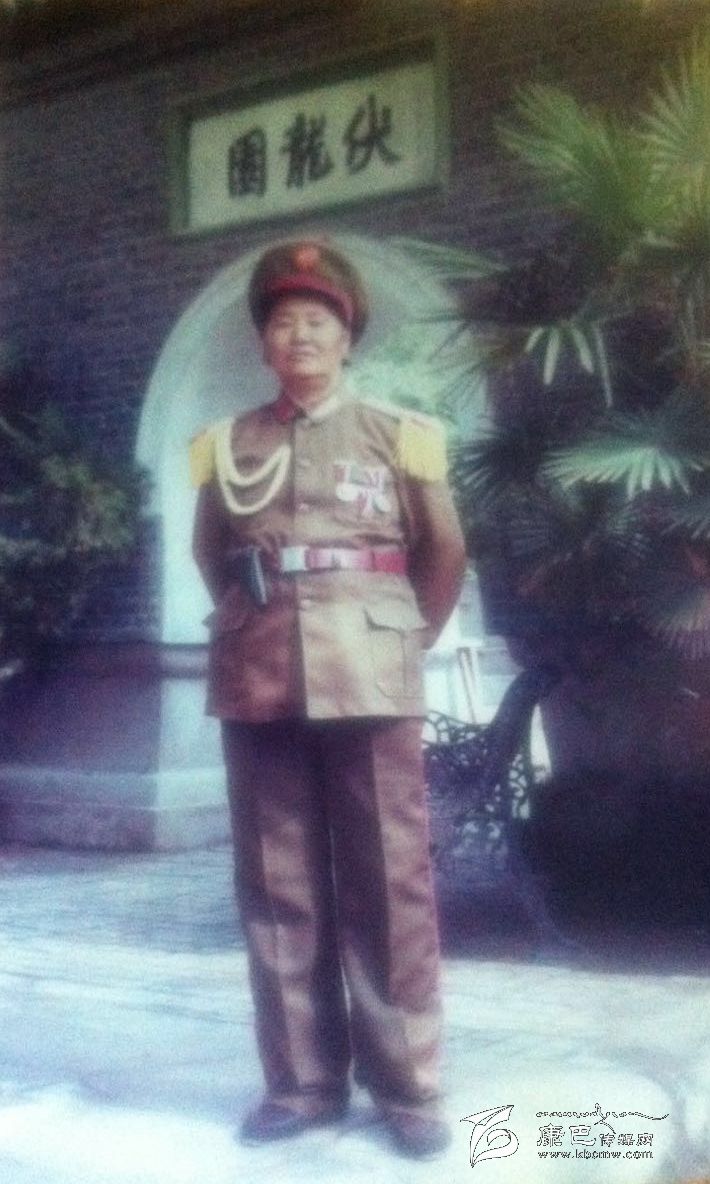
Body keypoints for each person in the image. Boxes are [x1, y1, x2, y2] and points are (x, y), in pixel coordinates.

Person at [190, 238, 466, 1160]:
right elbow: (212, 555)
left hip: (374, 669)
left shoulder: (399, 434)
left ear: (346, 338)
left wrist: (398, 639)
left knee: (391, 883)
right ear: (264, 343)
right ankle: (301, 1083)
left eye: (317, 320)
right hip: (259, 673)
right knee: (278, 886)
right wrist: (258, 623)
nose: (300, 335)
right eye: (283, 322)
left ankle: (408, 1086)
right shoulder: (226, 445)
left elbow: (443, 554)